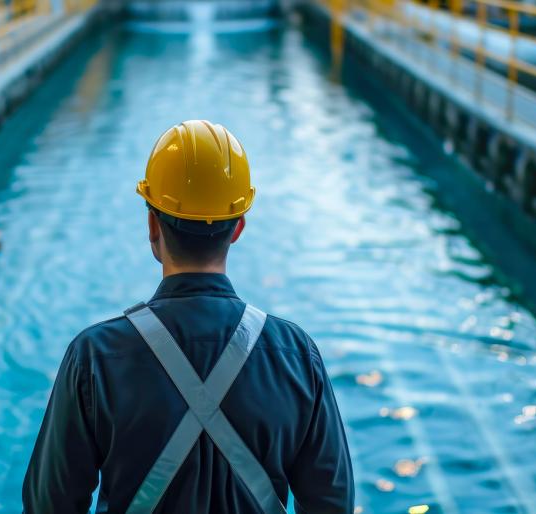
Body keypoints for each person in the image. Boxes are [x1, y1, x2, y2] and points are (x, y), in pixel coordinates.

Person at [23, 120, 354, 514]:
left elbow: (49, 505)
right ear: (238, 228)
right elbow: (332, 503)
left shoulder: (93, 358)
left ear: (152, 225)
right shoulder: (297, 355)